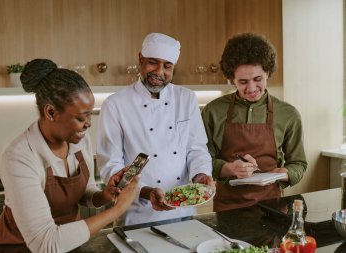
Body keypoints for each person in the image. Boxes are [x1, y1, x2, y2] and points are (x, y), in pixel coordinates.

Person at [0, 59, 140, 253]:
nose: (88, 124)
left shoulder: (78, 140)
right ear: (51, 112)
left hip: (69, 244)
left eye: (89, 115)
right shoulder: (19, 158)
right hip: (24, 248)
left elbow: (84, 193)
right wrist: (118, 210)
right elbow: (46, 244)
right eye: (81, 117)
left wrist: (105, 195)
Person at [97, 32, 214, 226]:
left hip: (183, 210)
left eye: (167, 66)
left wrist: (201, 175)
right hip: (136, 214)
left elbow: (197, 149)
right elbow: (112, 166)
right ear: (140, 59)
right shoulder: (115, 104)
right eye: (153, 62)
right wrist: (145, 192)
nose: (159, 72)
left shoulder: (186, 99)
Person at [201, 33, 307, 211]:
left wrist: (287, 173)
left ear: (268, 72)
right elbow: (202, 161)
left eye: (258, 79)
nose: (251, 88)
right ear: (231, 78)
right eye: (242, 81)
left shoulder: (288, 114)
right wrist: (229, 168)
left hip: (272, 208)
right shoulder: (213, 111)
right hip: (227, 209)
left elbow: (299, 163)